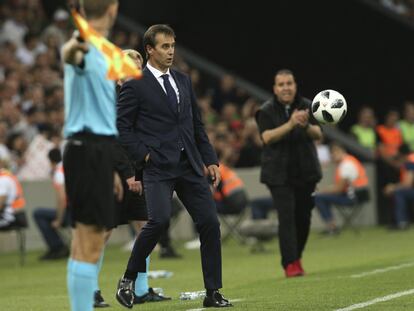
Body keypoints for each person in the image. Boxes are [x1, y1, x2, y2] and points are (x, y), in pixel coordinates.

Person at [116, 24, 232, 308]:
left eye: (172, 46)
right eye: (164, 47)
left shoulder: (182, 79)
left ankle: (213, 292)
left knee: (209, 224)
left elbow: (196, 124)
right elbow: (122, 127)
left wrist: (210, 160)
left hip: (190, 165)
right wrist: (144, 156)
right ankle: (128, 280)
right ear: (149, 50)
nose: (170, 52)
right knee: (158, 221)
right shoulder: (134, 84)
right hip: (157, 167)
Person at [61, 1, 123, 310]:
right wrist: (77, 46)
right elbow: (70, 53)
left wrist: (110, 167)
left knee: (85, 242)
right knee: (89, 242)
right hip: (88, 148)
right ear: (113, 9)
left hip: (95, 150)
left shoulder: (105, 48)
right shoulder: (84, 44)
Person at [255, 69, 322, 278]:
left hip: (306, 172)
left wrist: (305, 125)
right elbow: (266, 137)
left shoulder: (309, 105)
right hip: (278, 174)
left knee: (304, 217)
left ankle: (296, 257)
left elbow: (319, 133)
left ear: (295, 85)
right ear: (275, 89)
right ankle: (290, 264)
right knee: (287, 218)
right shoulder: (265, 110)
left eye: (289, 83)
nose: (286, 87)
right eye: (281, 84)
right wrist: (291, 124)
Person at [314, 143, 369, 235]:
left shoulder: (346, 165)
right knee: (322, 197)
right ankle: (332, 226)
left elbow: (339, 189)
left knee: (318, 197)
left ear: (340, 152)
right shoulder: (349, 161)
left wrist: (324, 191)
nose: (332, 156)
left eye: (333, 153)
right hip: (358, 194)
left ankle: (332, 227)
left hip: (352, 197)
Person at [33, 148, 69, 260]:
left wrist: (59, 219)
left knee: (38, 213)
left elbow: (62, 198)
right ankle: (58, 246)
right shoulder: (70, 166)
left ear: (51, 161)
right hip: (84, 209)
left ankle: (57, 247)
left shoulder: (59, 171)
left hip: (72, 213)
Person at [384, 143, 414, 230]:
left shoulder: (410, 161)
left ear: (402, 155)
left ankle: (401, 222)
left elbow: (407, 184)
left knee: (399, 193)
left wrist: (393, 187)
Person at [0, 155, 27, 231]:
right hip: (12, 213)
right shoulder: (7, 175)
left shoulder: (3, 179)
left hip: (7, 217)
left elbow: (0, 203)